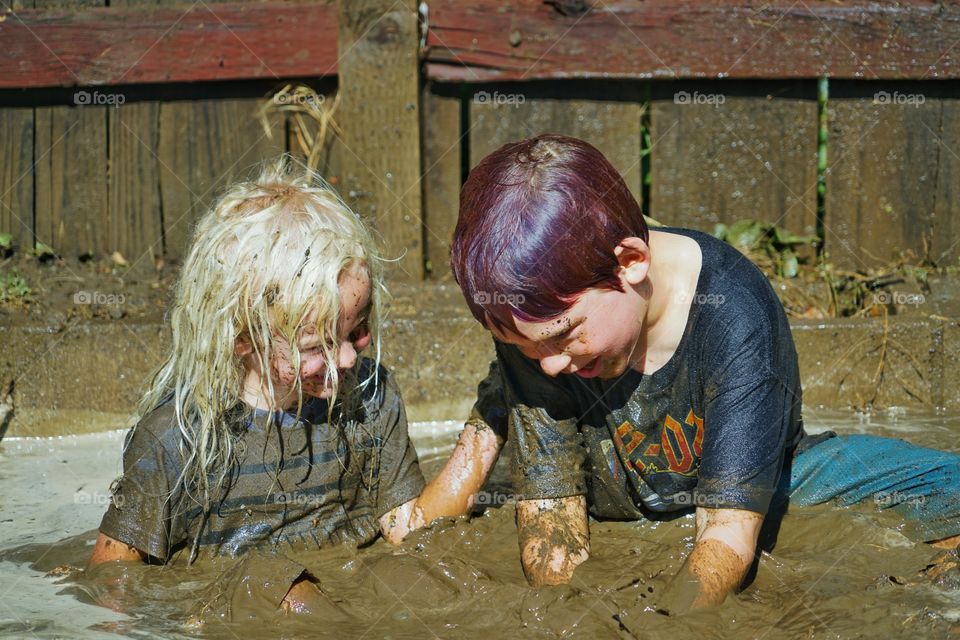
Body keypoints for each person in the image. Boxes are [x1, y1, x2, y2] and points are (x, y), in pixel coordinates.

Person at [450, 134, 960, 614]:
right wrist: (573, 617)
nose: (552, 364)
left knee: (945, 488)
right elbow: (550, 516)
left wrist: (667, 623)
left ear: (631, 262)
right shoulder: (538, 313)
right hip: (608, 486)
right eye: (525, 347)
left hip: (758, 479)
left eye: (565, 336)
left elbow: (726, 539)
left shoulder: (734, 314)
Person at [87, 158, 499, 615]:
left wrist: (490, 421)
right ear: (243, 338)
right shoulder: (176, 438)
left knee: (423, 581)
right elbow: (113, 584)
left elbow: (409, 529)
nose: (346, 358)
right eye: (316, 345)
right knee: (284, 591)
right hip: (243, 600)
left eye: (357, 330)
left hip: (345, 582)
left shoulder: (368, 395)